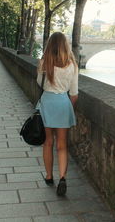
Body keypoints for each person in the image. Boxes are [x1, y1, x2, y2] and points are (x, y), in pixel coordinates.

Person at [36, 32, 78, 196]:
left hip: (47, 103)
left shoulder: (43, 63)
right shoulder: (72, 66)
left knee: (48, 142)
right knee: (62, 145)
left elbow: (39, 82)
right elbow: (74, 94)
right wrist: (68, 107)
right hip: (63, 103)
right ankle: (62, 177)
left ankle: (48, 176)